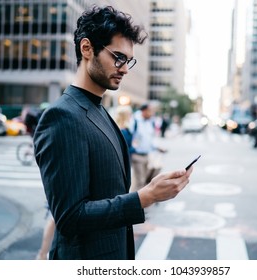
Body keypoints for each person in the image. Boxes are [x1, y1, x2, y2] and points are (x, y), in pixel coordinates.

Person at [33, 5, 193, 260]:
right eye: (118, 57)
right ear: (87, 49)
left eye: (128, 60)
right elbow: (69, 218)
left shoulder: (99, 110)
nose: (125, 68)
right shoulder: (61, 117)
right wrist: (144, 197)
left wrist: (150, 188)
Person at [130, 103, 167, 192]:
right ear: (143, 111)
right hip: (137, 155)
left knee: (144, 180)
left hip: (146, 155)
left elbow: (149, 139)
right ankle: (135, 204)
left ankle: (135, 200)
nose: (151, 113)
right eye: (149, 111)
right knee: (140, 181)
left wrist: (157, 148)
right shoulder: (135, 121)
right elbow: (129, 137)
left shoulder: (150, 122)